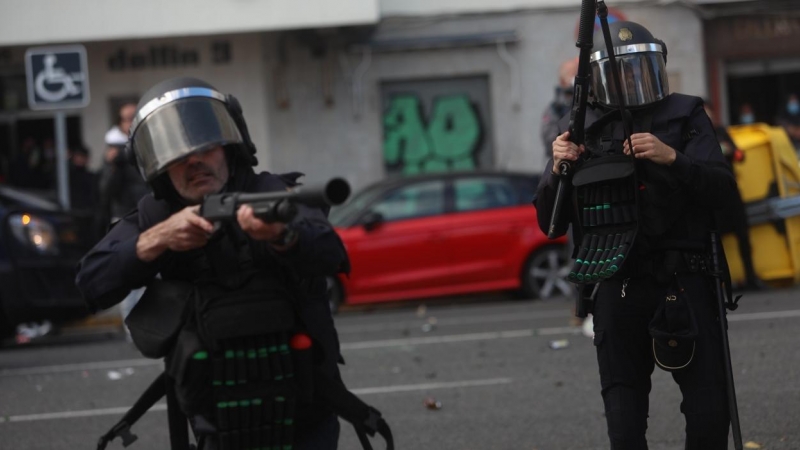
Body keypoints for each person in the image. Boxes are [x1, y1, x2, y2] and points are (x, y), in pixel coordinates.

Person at [75, 77, 387, 450]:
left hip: (304, 414)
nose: (194, 161)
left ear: (230, 146)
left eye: (206, 146)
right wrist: (158, 239)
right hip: (216, 422)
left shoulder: (272, 193)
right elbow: (90, 283)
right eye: (176, 155)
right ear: (157, 168)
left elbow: (331, 253)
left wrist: (280, 236)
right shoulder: (155, 214)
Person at [536, 21, 737, 449]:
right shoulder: (581, 128)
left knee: (708, 410)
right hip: (614, 283)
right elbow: (549, 223)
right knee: (624, 419)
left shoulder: (685, 114)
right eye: (619, 71)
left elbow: (723, 192)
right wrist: (558, 169)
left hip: (685, 279)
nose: (630, 79)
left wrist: (673, 159)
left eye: (639, 68)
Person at [98, 102, 150, 333]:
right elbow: (105, 191)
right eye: (126, 118)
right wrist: (112, 166)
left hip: (150, 215)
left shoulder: (148, 145)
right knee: (130, 274)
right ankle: (134, 331)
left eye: (133, 117)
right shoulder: (114, 153)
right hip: (125, 219)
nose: (130, 123)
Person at [704, 101, 765, 291]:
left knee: (743, 236)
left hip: (732, 191)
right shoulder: (699, 135)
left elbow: (740, 154)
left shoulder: (722, 131)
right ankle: (720, 282)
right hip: (714, 195)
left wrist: (731, 151)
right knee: (716, 242)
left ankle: (750, 277)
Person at [540, 58, 579, 160]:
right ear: (562, 81)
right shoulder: (555, 109)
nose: (576, 78)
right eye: (572, 74)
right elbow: (550, 142)